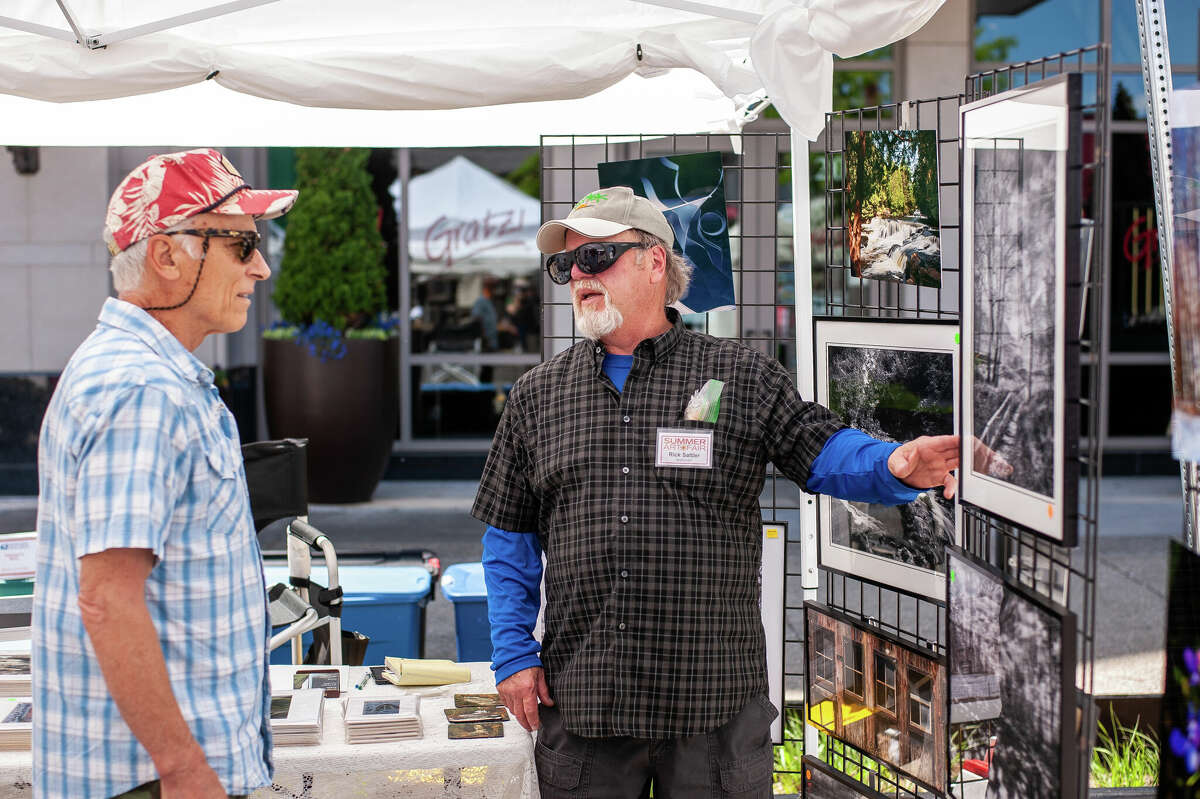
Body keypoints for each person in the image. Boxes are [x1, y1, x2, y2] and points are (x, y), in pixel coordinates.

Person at [471, 186, 960, 798]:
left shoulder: (741, 375)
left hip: (712, 702)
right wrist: (513, 656)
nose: (577, 275)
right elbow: (508, 538)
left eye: (596, 257)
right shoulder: (537, 397)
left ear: (655, 261)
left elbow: (819, 447)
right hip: (587, 700)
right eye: (565, 264)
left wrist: (893, 462)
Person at [33, 148, 297, 799]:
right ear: (167, 255)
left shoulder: (142, 372)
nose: (260, 267)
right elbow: (108, 598)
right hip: (154, 780)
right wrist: (183, 767)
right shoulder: (140, 386)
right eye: (242, 243)